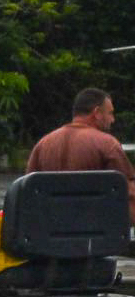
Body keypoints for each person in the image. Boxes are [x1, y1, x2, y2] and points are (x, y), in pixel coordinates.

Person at [26, 87, 135, 223]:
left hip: (50, 232)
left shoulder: (42, 144)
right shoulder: (108, 144)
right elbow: (129, 194)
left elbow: (28, 191)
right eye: (110, 113)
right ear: (97, 113)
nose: (112, 119)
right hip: (95, 234)